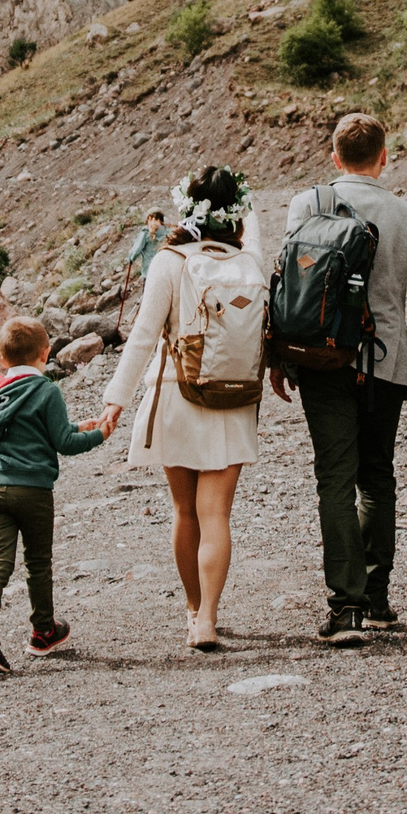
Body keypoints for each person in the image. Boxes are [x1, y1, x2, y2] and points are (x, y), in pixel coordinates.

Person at [271, 111, 407, 644]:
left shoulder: (307, 204)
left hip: (324, 360)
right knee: (377, 477)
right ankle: (376, 599)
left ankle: (344, 609)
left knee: (334, 478)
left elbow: (287, 285)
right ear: (384, 156)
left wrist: (280, 358)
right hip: (387, 363)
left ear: (333, 155)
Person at [98, 166, 268, 652]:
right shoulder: (251, 263)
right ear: (236, 214)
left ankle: (193, 610)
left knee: (184, 510)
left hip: (176, 393)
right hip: (233, 398)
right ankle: (211, 618)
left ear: (186, 209)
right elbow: (253, 230)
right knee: (217, 514)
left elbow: (143, 338)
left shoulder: (169, 262)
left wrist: (116, 401)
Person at [0, 316, 106, 675]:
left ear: (2, 358)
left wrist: (77, 425)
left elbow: (27, 428)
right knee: (37, 563)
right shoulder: (47, 390)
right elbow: (63, 443)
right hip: (35, 491)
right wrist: (99, 434)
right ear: (46, 353)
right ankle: (43, 632)